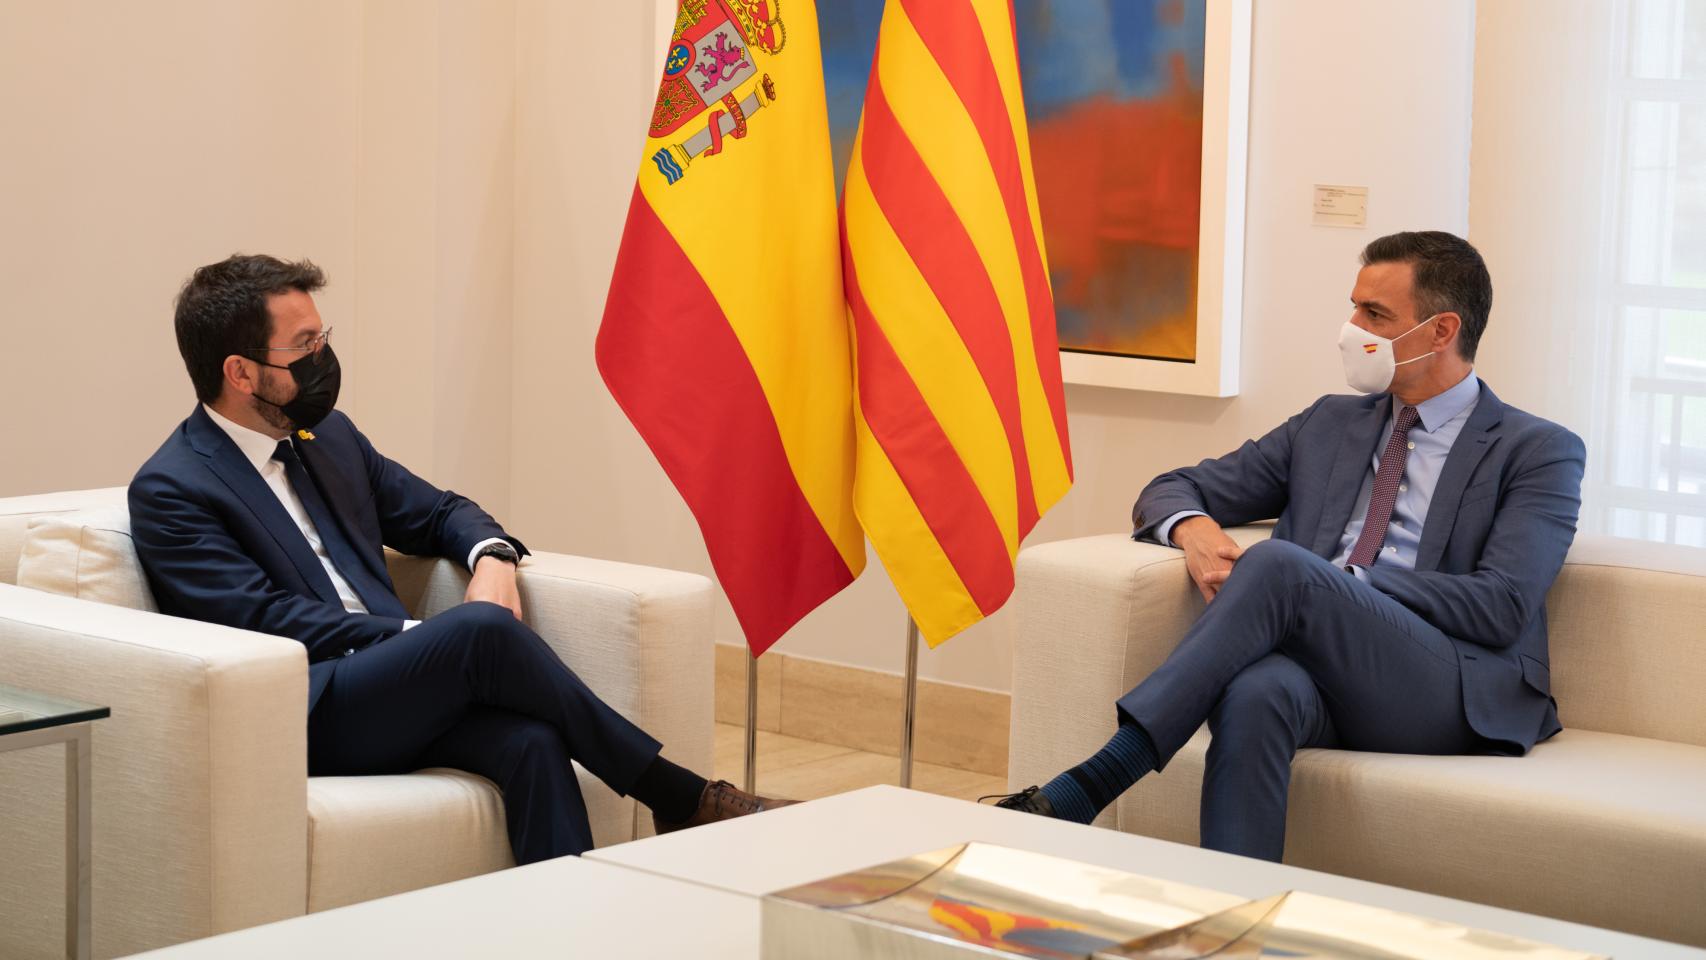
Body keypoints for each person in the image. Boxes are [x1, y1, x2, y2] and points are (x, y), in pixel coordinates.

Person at [129, 254, 788, 865]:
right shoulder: (174, 487)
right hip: (304, 710)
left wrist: (493, 559)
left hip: (394, 695)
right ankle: (681, 796)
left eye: (323, 337)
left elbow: (439, 511)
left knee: (533, 742)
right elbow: (262, 619)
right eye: (304, 348)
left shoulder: (327, 437)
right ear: (240, 373)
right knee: (479, 632)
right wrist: (425, 639)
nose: (324, 358)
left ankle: (571, 929)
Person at [996, 231, 1585, 862]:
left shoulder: (1539, 450)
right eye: (1355, 307)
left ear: (1442, 332)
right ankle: (1237, 915)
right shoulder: (1330, 423)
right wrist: (1193, 530)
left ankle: (1100, 778)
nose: (1352, 327)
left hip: (1451, 683)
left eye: (1375, 315)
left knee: (1284, 565)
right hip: (1328, 669)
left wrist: (1347, 583)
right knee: (1258, 693)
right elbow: (1174, 487)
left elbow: (1500, 604)